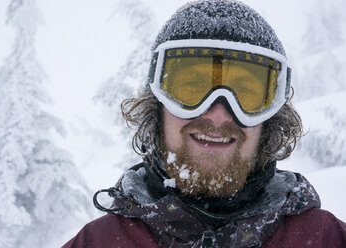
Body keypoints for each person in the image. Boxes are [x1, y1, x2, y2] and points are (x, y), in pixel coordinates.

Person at [62, 0, 346, 247]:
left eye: (245, 93)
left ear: (270, 117)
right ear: (158, 104)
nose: (218, 114)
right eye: (192, 87)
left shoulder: (328, 239)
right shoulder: (97, 243)